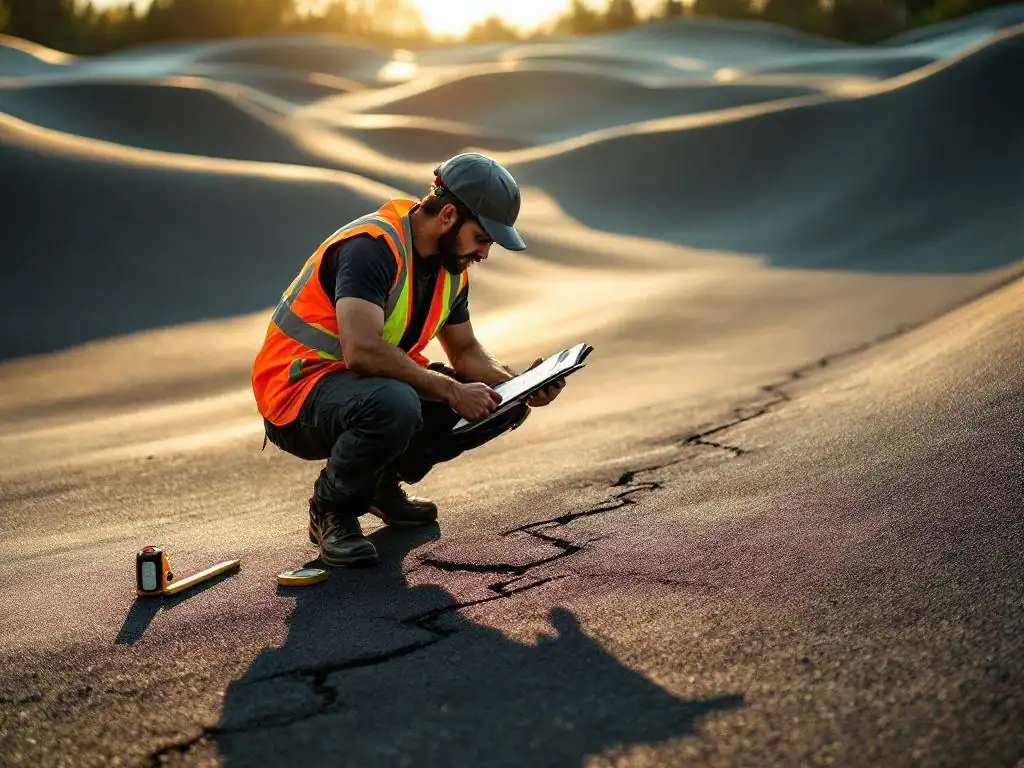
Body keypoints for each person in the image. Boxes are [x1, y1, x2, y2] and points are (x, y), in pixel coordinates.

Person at [251, 153, 566, 567]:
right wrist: (451, 390)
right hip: (297, 397)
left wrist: (520, 384)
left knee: (498, 405)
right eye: (482, 238)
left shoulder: (451, 270)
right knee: (395, 403)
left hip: (371, 387)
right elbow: (361, 350)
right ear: (449, 215)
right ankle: (332, 510)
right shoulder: (372, 248)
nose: (485, 253)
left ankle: (381, 485)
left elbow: (466, 351)